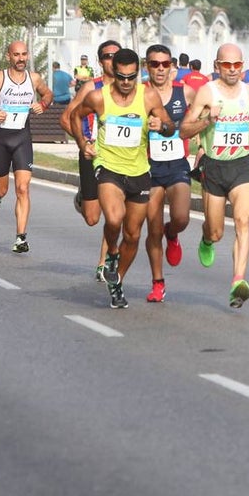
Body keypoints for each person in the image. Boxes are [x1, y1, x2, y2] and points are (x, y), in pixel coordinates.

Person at [72, 48, 177, 308]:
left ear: (137, 73)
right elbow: (75, 116)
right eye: (122, 77)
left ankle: (117, 281)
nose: (127, 82)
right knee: (115, 218)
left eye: (132, 77)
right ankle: (111, 254)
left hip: (139, 171)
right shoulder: (99, 97)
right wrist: (83, 142)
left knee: (132, 235)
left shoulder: (148, 95)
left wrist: (161, 126)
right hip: (107, 166)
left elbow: (171, 126)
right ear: (113, 73)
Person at [180, 43, 249, 309]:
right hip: (214, 168)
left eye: (236, 65)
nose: (232, 70)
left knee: (244, 221)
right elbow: (184, 130)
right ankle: (207, 237)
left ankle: (238, 281)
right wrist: (207, 121)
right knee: (217, 231)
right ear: (217, 66)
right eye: (226, 65)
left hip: (241, 165)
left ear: (242, 67)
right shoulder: (205, 93)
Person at [0, 41, 52, 252]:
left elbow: (48, 94)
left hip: (22, 138)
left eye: (24, 54)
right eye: (16, 55)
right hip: (1, 139)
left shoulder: (34, 78)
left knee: (23, 187)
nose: (21, 59)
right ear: (8, 56)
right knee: (2, 189)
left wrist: (43, 104)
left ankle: (21, 237)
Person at [141, 44, 197, 303]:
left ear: (172, 65)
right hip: (148, 168)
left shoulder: (184, 92)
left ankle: (172, 233)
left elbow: (201, 119)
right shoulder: (139, 95)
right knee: (152, 229)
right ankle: (158, 283)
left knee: (182, 217)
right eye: (155, 64)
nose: (160, 69)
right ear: (147, 66)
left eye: (165, 64)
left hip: (176, 165)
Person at [61, 40, 121, 280]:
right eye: (107, 56)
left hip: (119, 157)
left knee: (115, 212)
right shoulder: (90, 88)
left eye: (117, 56)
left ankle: (103, 263)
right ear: (100, 61)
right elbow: (66, 118)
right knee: (92, 218)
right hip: (92, 154)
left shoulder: (130, 88)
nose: (112, 60)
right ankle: (83, 196)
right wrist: (84, 143)